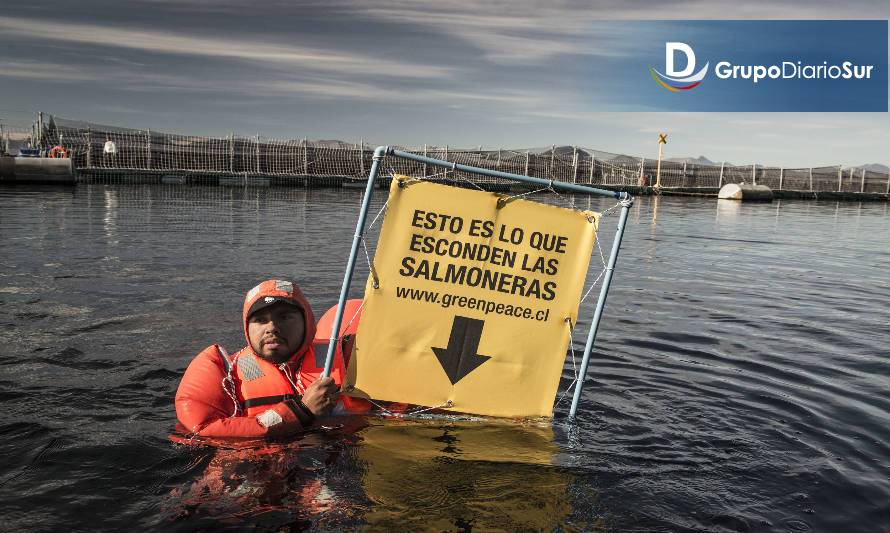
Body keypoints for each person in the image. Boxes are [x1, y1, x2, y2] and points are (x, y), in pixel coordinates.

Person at [175, 279, 349, 438]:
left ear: (307, 322)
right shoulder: (224, 373)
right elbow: (204, 430)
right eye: (260, 320)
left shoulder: (347, 358)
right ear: (247, 328)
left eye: (285, 317)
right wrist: (301, 411)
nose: (272, 328)